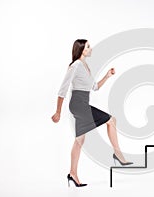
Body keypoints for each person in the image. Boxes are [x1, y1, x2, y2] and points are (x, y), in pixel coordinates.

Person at [51, 39, 133, 187]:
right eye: (88, 46)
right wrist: (58, 112)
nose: (90, 48)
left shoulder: (85, 66)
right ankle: (118, 154)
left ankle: (72, 174)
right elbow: (63, 89)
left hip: (82, 104)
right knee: (111, 120)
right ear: (82, 49)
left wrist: (107, 76)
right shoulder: (75, 65)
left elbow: (95, 87)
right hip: (78, 104)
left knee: (79, 140)